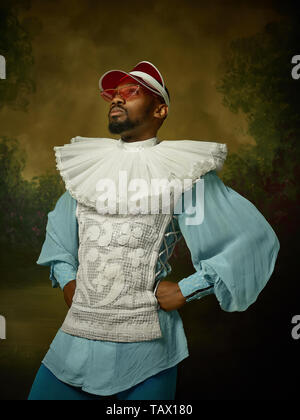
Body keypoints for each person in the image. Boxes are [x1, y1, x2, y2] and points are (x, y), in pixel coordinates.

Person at [27, 61, 280, 400]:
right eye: (114, 95)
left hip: (147, 357)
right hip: (74, 346)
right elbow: (59, 228)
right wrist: (67, 276)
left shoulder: (183, 171)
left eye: (131, 92)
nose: (118, 99)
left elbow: (250, 239)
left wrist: (188, 288)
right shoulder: (90, 166)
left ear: (160, 109)